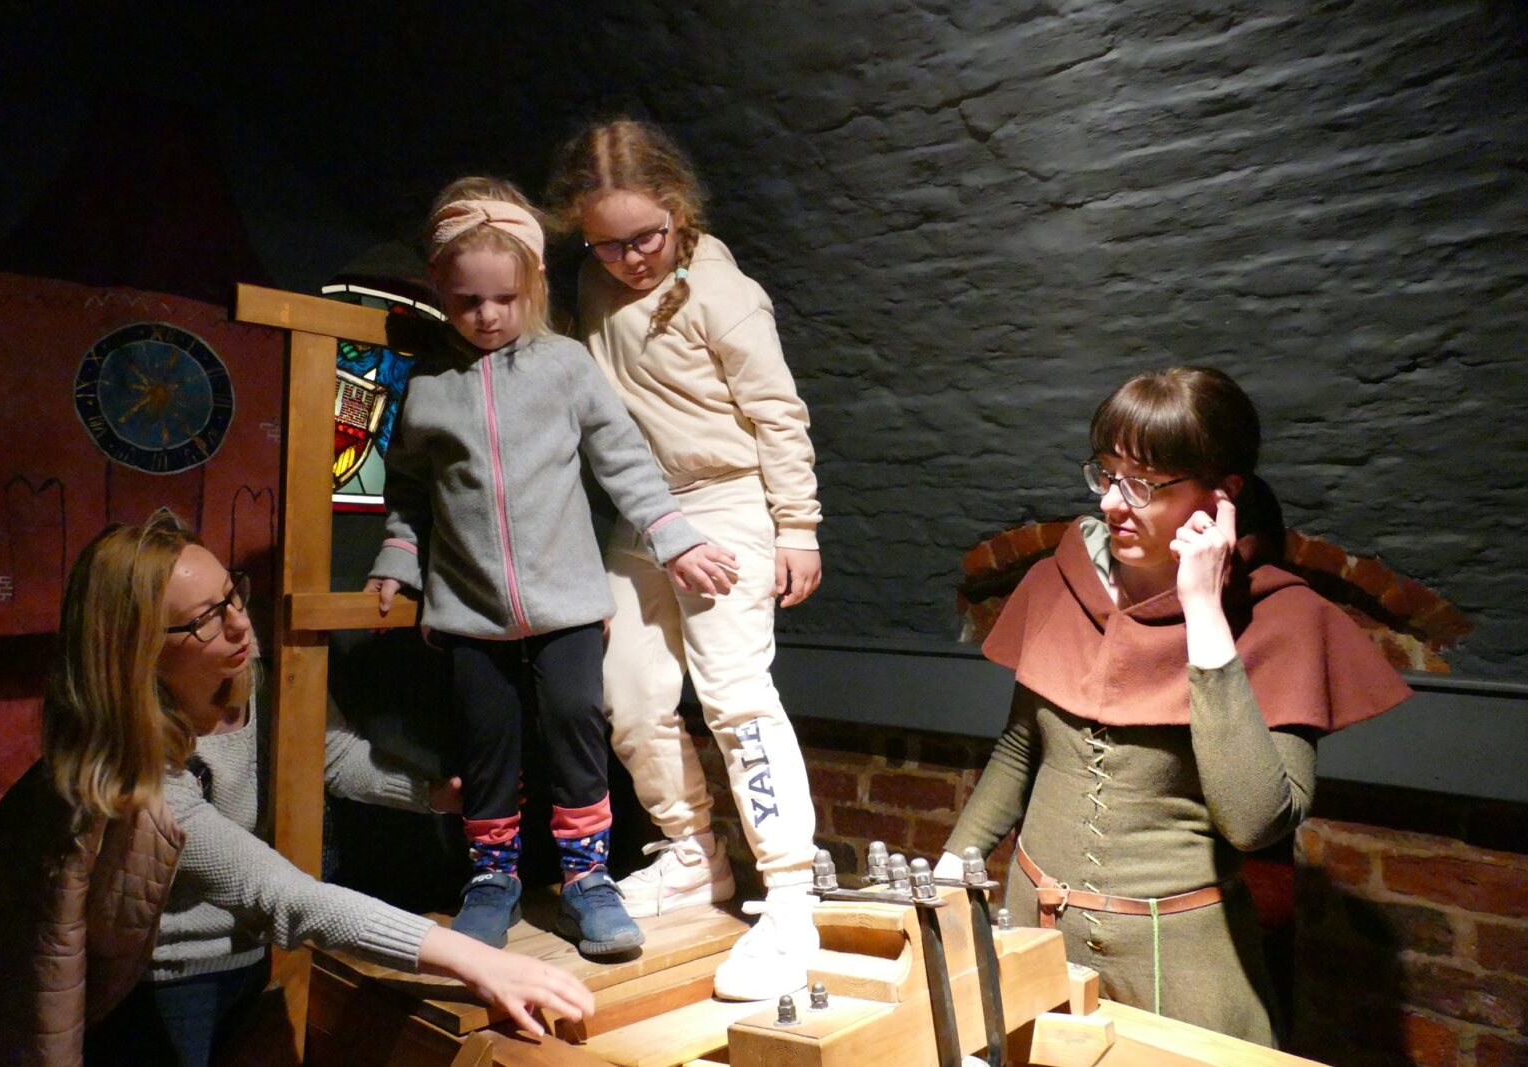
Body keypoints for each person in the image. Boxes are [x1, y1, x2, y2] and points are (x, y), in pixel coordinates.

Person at [0, 510, 593, 1067]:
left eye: (233, 595)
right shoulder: (133, 771)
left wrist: (431, 795)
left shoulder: (258, 679)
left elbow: (334, 756)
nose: (240, 624)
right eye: (206, 620)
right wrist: (475, 959)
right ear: (139, 650)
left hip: (253, 962)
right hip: (166, 987)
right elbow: (277, 892)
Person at [936, 367, 1411, 1044]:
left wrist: (1204, 616)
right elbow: (1021, 747)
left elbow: (1254, 822)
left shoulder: (1282, 619)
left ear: (1222, 494)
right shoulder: (1057, 583)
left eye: (1144, 484)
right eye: (1105, 475)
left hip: (1180, 956)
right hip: (1035, 930)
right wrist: (951, 868)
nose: (1113, 503)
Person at [363, 177, 737, 960]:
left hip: (566, 605)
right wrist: (398, 558)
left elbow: (624, 460)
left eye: (504, 298)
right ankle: (490, 878)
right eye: (466, 300)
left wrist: (674, 538)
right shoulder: (427, 384)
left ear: (532, 284)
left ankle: (587, 877)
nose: (486, 315)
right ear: (439, 288)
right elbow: (409, 489)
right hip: (467, 610)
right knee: (485, 743)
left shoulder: (565, 366)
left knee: (574, 731)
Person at [546, 119, 824, 1001]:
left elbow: (777, 412)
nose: (631, 258)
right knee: (624, 692)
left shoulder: (721, 291)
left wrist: (797, 527)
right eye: (608, 243)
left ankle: (791, 894)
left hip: (726, 500)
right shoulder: (589, 282)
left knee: (735, 693)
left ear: (678, 209)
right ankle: (692, 853)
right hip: (642, 513)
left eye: (647, 237)